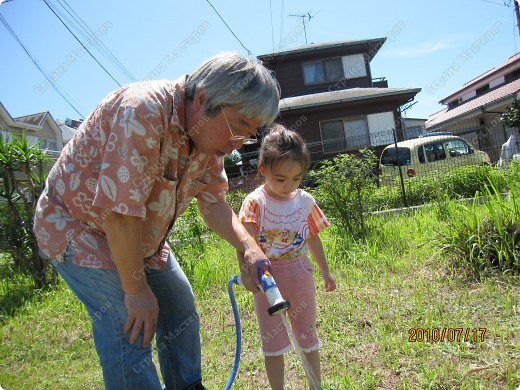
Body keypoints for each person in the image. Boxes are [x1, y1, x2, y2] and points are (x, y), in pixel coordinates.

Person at [33, 51, 280, 390]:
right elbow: (119, 213)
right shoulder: (142, 111)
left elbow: (214, 204)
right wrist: (135, 289)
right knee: (129, 322)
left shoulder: (209, 142)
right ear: (204, 99)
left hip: (141, 239)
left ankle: (187, 386)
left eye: (251, 133)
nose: (240, 142)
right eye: (239, 125)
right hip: (79, 226)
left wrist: (249, 248)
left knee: (179, 304)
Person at [238, 125, 336, 390]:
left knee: (307, 333)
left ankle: (316, 385)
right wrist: (246, 270)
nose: (288, 186)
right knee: (273, 342)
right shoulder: (255, 202)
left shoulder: (304, 201)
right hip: (267, 279)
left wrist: (325, 271)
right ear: (263, 170)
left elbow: (313, 236)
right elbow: (244, 240)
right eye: (280, 179)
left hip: (300, 273)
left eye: (296, 178)